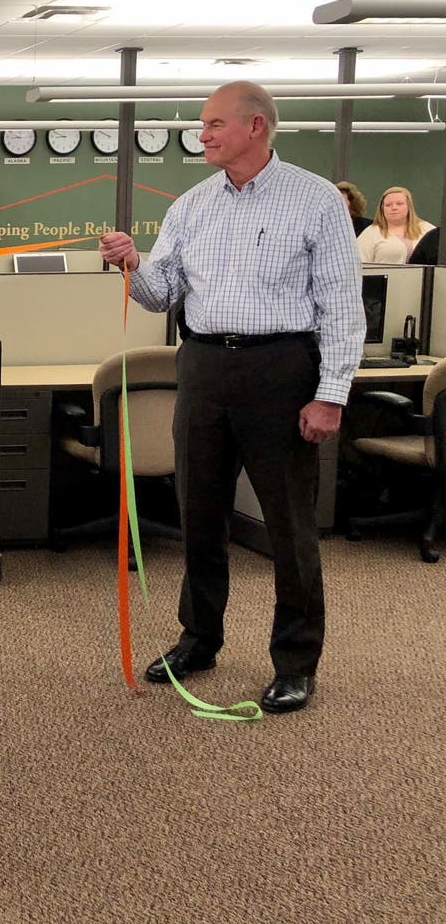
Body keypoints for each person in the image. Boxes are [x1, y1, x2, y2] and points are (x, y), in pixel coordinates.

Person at [99, 81, 364, 715]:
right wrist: (133, 262)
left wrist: (330, 395)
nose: (204, 134)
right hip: (204, 368)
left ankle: (296, 661)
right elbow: (162, 294)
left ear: (257, 127)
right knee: (200, 513)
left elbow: (342, 308)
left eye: (215, 124)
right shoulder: (191, 205)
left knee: (289, 525)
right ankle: (199, 638)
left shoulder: (315, 200)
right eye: (202, 124)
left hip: (281, 369)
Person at [357, 186, 433, 264]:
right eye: (388, 205)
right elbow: (359, 263)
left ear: (409, 206)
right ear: (382, 209)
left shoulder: (426, 229)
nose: (394, 207)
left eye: (399, 204)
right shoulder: (371, 233)